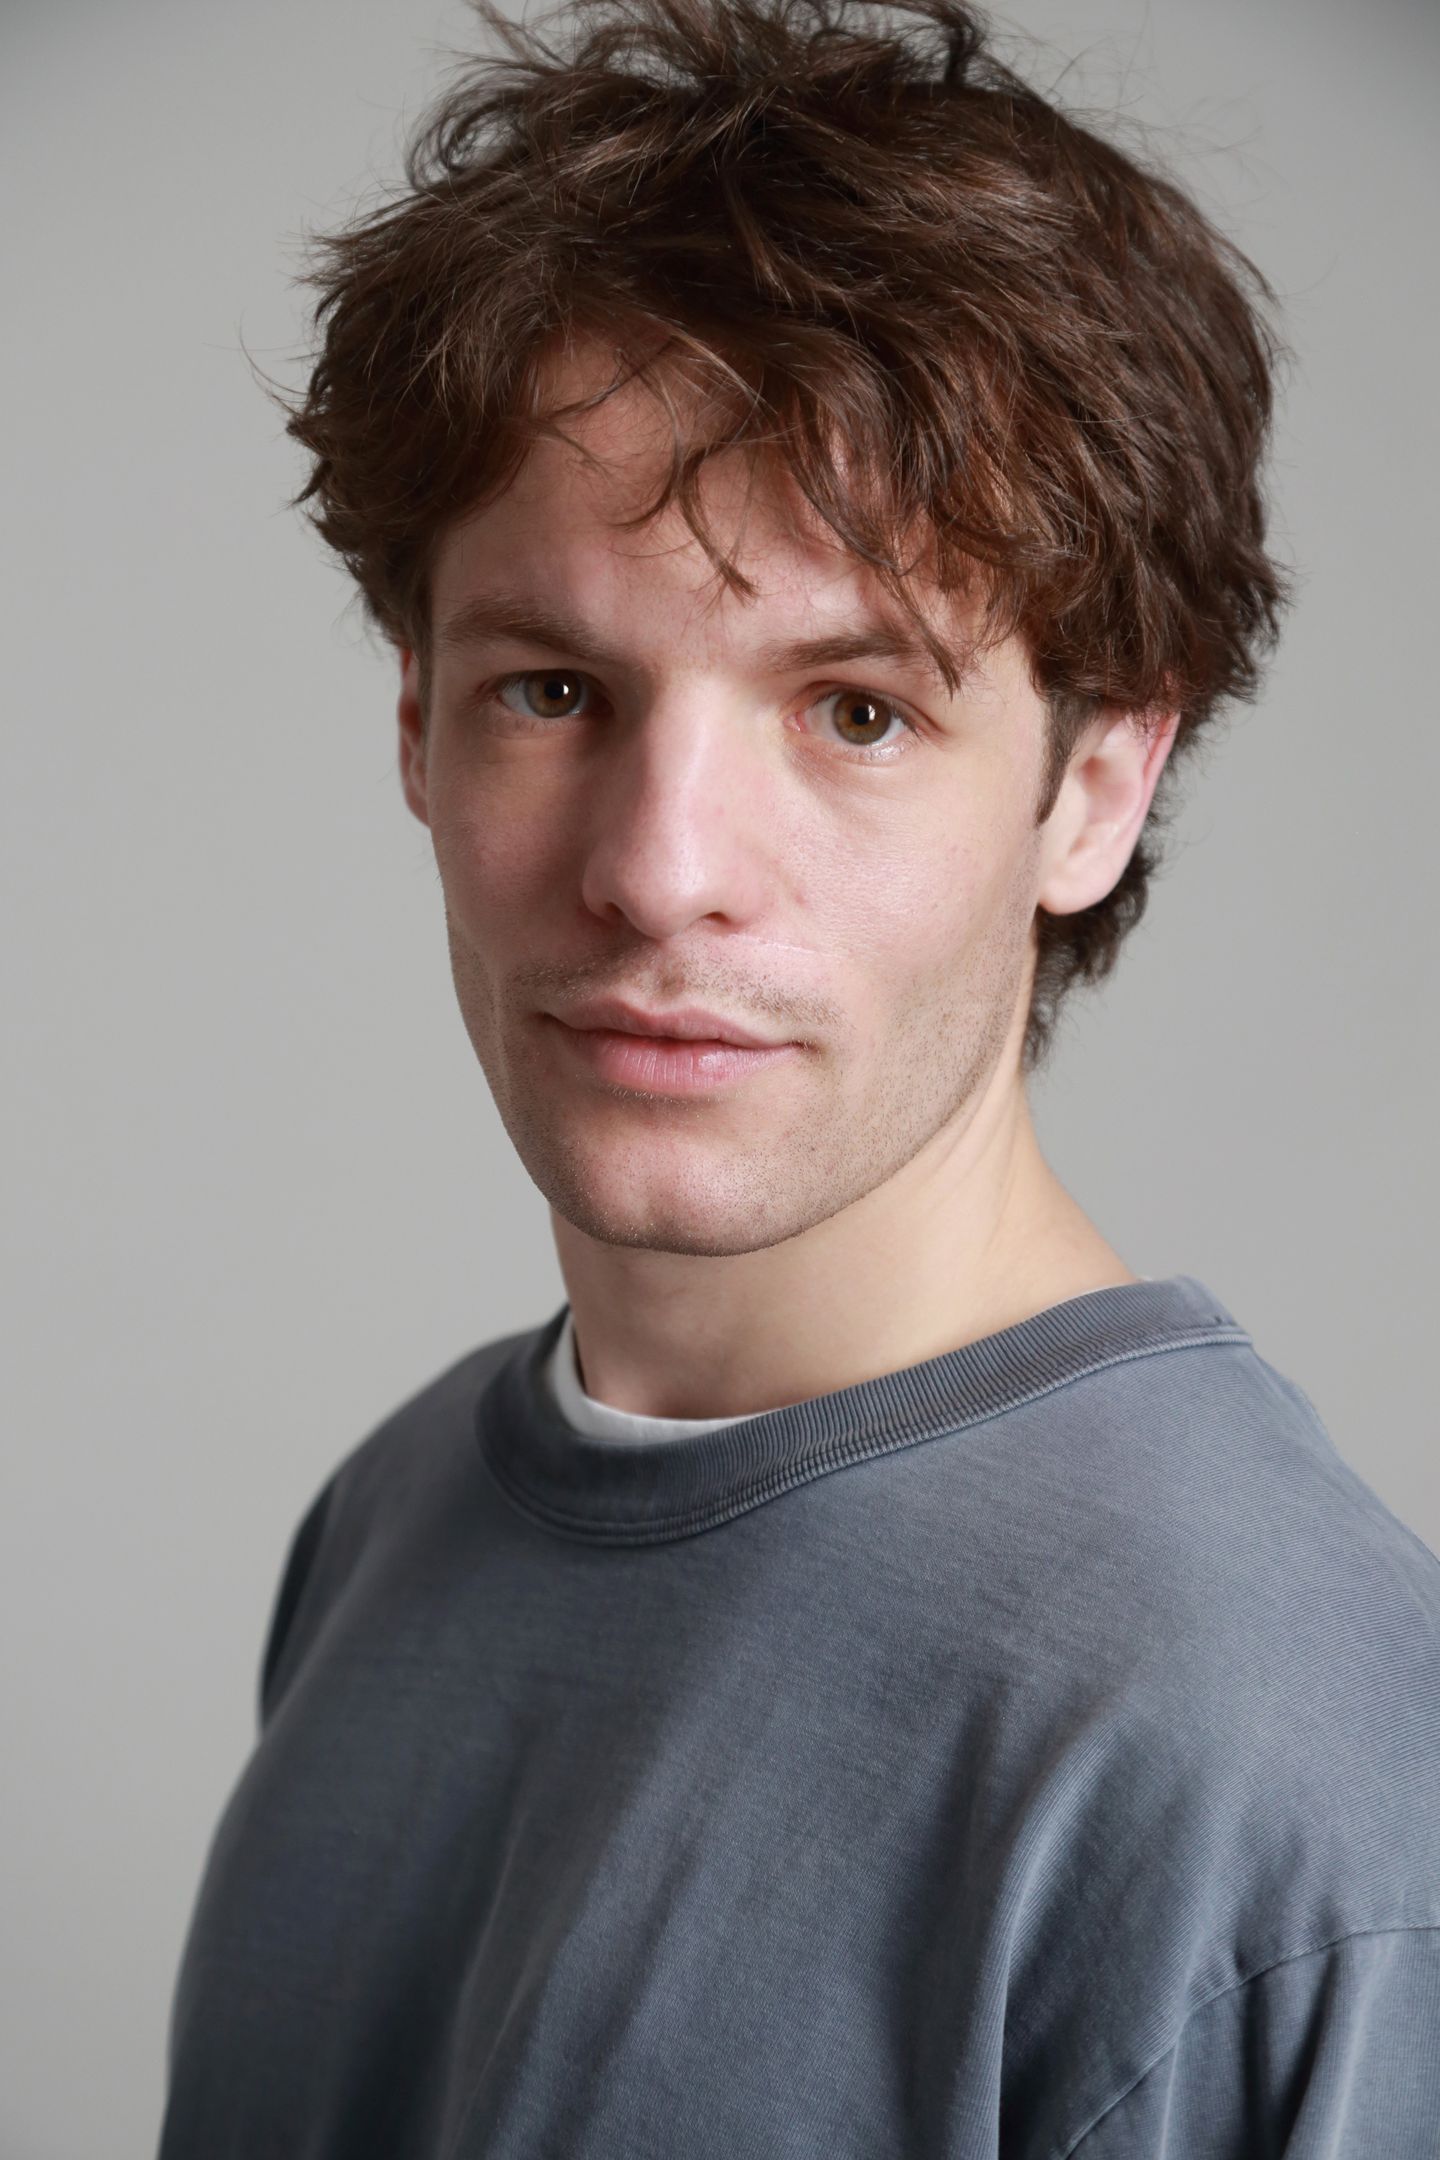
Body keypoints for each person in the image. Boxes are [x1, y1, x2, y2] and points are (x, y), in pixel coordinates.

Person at [157, 0, 1440, 2152]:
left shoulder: (1283, 1764)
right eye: (552, 689)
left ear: (1097, 786)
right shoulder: (396, 1519)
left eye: (856, 711)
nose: (660, 871)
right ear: (415, 726)